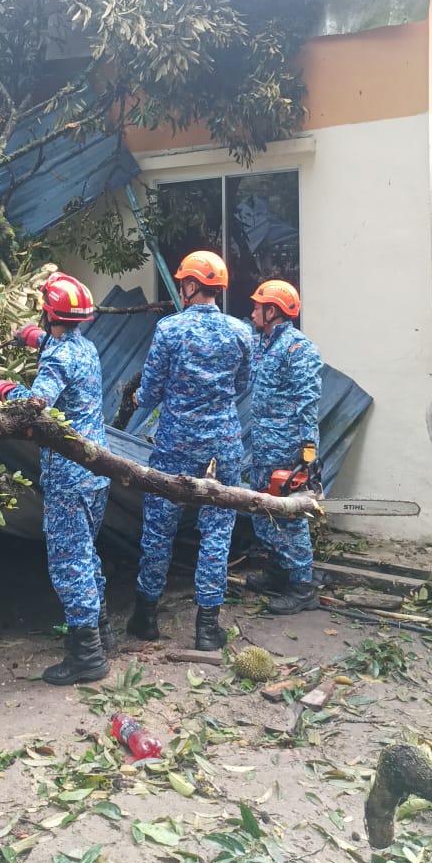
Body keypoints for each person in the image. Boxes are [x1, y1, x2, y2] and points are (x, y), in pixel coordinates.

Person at [0, 273, 112, 686]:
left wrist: (8, 390)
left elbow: (37, 407)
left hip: (67, 477)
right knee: (86, 553)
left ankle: (87, 656)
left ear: (48, 311)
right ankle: (103, 631)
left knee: (69, 562)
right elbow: (63, 353)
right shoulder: (86, 348)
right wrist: (36, 340)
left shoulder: (58, 358)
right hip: (96, 472)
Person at [126, 250, 252, 651]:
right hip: (224, 447)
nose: (181, 290)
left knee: (159, 530)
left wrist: (136, 397)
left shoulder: (170, 330)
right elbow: (243, 385)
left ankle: (145, 617)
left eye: (183, 283)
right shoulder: (241, 332)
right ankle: (207, 627)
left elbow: (149, 392)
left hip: (175, 446)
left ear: (192, 285)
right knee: (217, 531)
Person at [244, 279, 323, 615]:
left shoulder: (298, 348)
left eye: (257, 306)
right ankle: (278, 571)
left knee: (289, 517)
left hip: (287, 447)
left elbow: (309, 401)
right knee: (263, 510)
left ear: (272, 310)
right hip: (262, 445)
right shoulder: (262, 344)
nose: (252, 312)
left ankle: (303, 586)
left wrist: (307, 453)